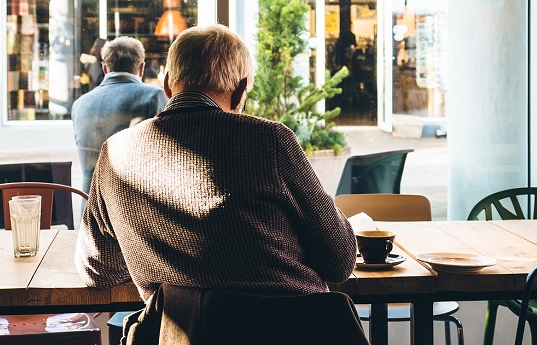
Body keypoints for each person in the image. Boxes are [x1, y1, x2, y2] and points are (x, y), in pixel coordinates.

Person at [75, 24, 356, 301]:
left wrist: (156, 254)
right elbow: (339, 261)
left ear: (167, 85)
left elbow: (97, 270)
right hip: (293, 330)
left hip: (181, 334)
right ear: (240, 90)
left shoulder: (115, 153)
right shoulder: (270, 141)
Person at [71, 36, 168, 194]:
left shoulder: (80, 104)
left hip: (89, 210)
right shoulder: (153, 97)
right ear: (142, 68)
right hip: (131, 209)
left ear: (104, 69)